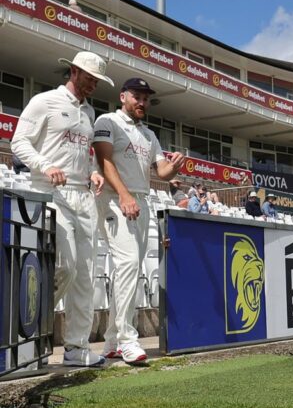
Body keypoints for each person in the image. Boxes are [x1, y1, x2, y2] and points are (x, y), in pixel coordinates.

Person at [10, 51, 113, 367]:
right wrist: (45, 164)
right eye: (89, 77)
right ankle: (27, 333)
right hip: (51, 192)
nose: (93, 84)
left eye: (97, 80)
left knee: (85, 275)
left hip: (83, 197)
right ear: (74, 71)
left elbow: (84, 154)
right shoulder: (44, 102)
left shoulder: (89, 112)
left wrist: (94, 170)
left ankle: (76, 348)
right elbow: (18, 142)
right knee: (64, 268)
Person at [94, 77, 185, 363]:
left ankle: (110, 341)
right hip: (115, 198)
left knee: (129, 270)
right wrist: (123, 195)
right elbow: (104, 161)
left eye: (146, 99)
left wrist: (175, 165)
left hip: (142, 200)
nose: (142, 103)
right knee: (129, 264)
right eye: (137, 97)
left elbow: (162, 172)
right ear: (123, 96)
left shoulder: (149, 134)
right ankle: (127, 339)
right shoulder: (107, 121)